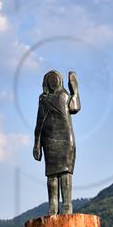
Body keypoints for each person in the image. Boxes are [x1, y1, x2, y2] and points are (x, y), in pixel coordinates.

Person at [33, 70, 80, 215]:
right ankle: (52, 207)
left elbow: (75, 107)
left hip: (66, 139)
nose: (53, 82)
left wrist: (75, 90)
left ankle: (67, 206)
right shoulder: (43, 99)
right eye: (50, 80)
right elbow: (39, 123)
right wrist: (37, 144)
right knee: (52, 175)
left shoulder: (65, 95)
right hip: (49, 141)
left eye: (55, 80)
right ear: (46, 82)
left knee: (65, 173)